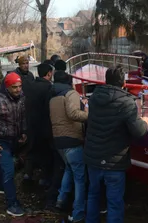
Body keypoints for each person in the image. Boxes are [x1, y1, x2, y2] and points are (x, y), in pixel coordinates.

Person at [84, 66, 148, 223]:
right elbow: (138, 131)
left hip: (93, 157)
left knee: (93, 195)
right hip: (114, 161)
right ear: (124, 83)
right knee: (114, 202)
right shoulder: (126, 103)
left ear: (106, 81)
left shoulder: (94, 98)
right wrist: (145, 122)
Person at [0, 72, 27, 217]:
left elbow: (22, 117)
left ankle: (1, 187)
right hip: (1, 141)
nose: (18, 90)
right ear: (7, 87)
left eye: (19, 86)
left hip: (14, 138)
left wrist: (24, 132)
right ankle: (11, 204)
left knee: (4, 168)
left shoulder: (21, 97)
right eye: (14, 87)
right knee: (9, 170)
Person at [49, 70, 88, 223]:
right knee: (80, 179)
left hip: (58, 141)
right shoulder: (70, 93)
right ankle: (78, 213)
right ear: (70, 82)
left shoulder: (53, 96)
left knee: (69, 169)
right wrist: (90, 114)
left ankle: (60, 200)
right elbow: (73, 114)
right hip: (72, 140)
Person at [24, 63, 55, 188]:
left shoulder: (30, 86)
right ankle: (44, 178)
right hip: (44, 125)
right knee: (46, 152)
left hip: (31, 123)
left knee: (31, 150)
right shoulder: (49, 88)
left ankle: (28, 174)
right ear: (48, 73)